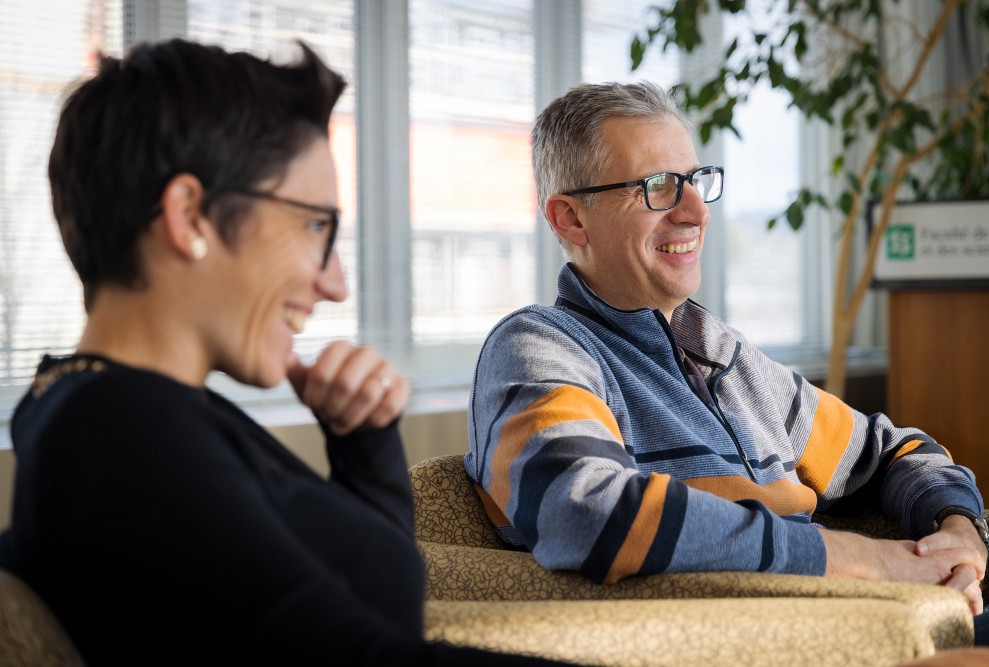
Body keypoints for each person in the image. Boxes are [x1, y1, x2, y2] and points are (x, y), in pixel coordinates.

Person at [0, 39, 575, 666]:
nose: (336, 284)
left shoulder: (112, 412)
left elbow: (375, 611)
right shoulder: (120, 432)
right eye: (313, 226)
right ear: (190, 217)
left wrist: (363, 443)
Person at [466, 81, 989, 641]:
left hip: (876, 627)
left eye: (695, 181)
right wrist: (872, 563)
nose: (697, 210)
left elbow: (891, 452)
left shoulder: (725, 357)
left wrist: (957, 532)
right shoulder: (541, 347)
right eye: (659, 187)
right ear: (571, 219)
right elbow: (583, 511)